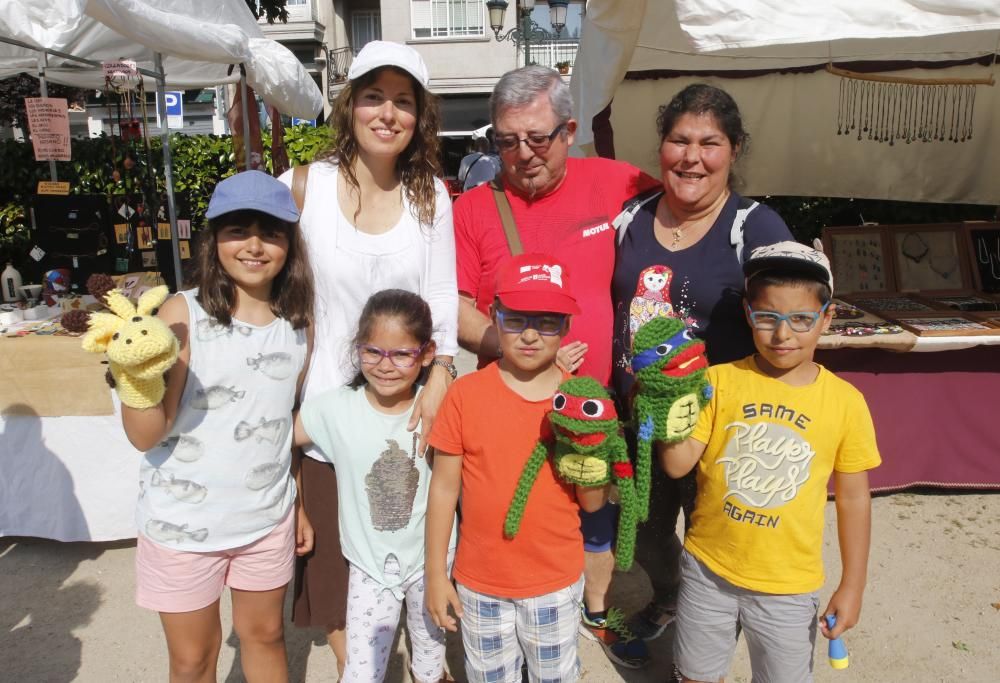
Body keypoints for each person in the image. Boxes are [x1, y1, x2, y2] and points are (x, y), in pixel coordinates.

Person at [453, 64, 659, 668]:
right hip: (512, 405)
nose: (523, 153)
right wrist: (514, 346)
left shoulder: (618, 183)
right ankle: (520, 621)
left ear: (569, 131)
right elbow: (459, 307)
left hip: (601, 400)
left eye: (538, 137)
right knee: (524, 515)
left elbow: (686, 209)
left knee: (598, 510)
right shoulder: (473, 208)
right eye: (507, 140)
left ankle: (592, 609)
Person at [278, 40, 458, 673]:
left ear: (419, 116)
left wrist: (439, 379)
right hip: (327, 422)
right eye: (374, 97)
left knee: (412, 563)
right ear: (349, 104)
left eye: (403, 101)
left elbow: (441, 302)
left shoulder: (431, 194)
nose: (388, 113)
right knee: (333, 581)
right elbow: (254, 275)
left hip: (410, 421)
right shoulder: (305, 187)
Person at [611, 83, 794, 641]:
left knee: (716, 535)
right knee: (644, 532)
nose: (692, 157)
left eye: (709, 143)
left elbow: (792, 306)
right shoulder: (631, 218)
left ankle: (705, 634)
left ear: (734, 150)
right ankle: (671, 598)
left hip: (718, 426)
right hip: (641, 419)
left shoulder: (754, 226)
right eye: (678, 140)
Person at [656, 241, 881, 683]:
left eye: (800, 319)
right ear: (748, 314)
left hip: (788, 586)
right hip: (707, 570)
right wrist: (665, 402)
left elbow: (855, 499)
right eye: (767, 317)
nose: (783, 335)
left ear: (827, 318)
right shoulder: (718, 382)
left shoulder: (846, 403)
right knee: (696, 675)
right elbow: (677, 465)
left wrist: (852, 585)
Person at [123, 170, 314, 682]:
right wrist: (135, 380)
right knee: (192, 660)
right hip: (181, 526)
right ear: (213, 240)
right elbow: (146, 434)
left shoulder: (299, 325)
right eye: (237, 230)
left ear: (290, 245)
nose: (254, 245)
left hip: (266, 520)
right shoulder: (180, 313)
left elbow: (283, 425)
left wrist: (297, 500)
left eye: (271, 232)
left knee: (267, 637)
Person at [426, 253, 610, 682]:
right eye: (514, 319)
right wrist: (436, 574)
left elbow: (594, 502)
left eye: (547, 321)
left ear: (566, 327)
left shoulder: (584, 402)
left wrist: (589, 457)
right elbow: (443, 490)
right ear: (494, 317)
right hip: (479, 582)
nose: (530, 334)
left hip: (554, 581)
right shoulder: (465, 394)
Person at [293, 289, 457, 683]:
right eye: (373, 352)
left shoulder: (441, 408)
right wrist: (297, 505)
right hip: (368, 567)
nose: (386, 366)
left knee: (430, 663)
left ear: (427, 353)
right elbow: (278, 443)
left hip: (431, 563)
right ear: (358, 348)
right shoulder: (333, 408)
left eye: (402, 354)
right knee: (360, 671)